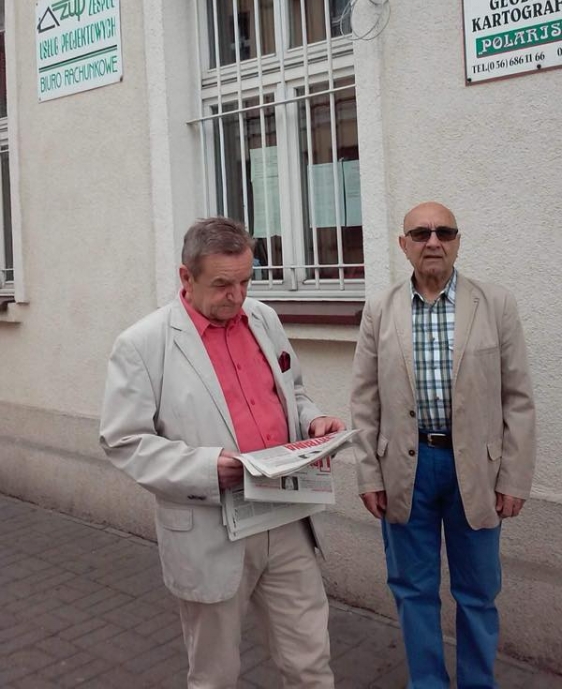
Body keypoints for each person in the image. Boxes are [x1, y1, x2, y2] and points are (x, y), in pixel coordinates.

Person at [100, 216, 345, 689]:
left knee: (311, 665)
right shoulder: (142, 344)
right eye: (222, 285)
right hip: (212, 527)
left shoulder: (263, 318)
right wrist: (207, 468)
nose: (237, 297)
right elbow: (123, 441)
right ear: (186, 277)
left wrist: (313, 421)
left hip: (286, 515)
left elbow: (292, 391)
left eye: (246, 281)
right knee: (215, 676)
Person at [350, 201, 535, 689]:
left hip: (476, 470)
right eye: (421, 233)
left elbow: (517, 398)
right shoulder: (380, 309)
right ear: (403, 244)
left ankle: (477, 683)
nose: (433, 241)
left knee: (478, 591)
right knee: (413, 589)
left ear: (457, 241)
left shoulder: (495, 304)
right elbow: (364, 400)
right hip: (405, 469)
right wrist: (368, 473)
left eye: (444, 232)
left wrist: (514, 477)